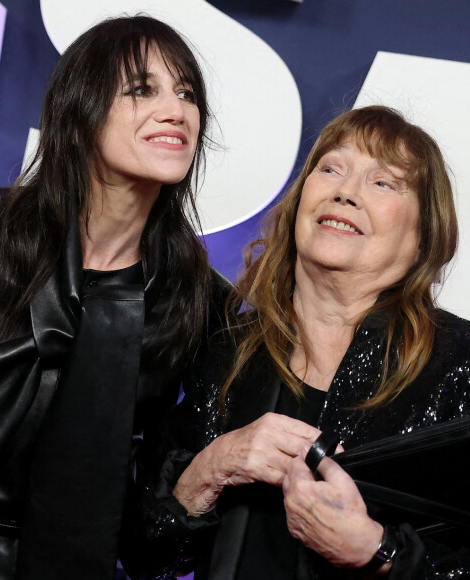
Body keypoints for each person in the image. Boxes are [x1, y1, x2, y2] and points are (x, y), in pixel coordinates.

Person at [0, 15, 231, 580]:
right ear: (76, 119)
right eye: (141, 89)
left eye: (187, 93)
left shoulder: (193, 298)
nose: (176, 109)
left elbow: (153, 477)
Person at [143, 105, 470, 579]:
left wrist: (379, 553)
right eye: (331, 168)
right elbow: (145, 558)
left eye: (383, 182)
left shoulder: (458, 363)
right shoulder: (225, 352)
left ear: (425, 234)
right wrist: (208, 472)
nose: (345, 193)